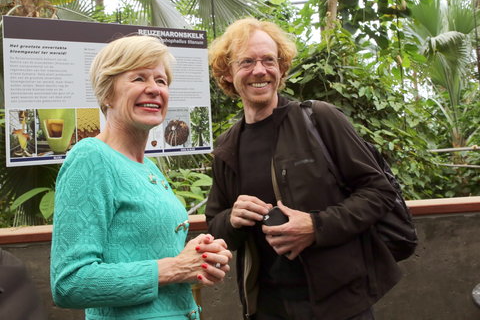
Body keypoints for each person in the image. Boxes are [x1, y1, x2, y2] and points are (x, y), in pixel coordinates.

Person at [205, 18, 402, 320]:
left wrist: (315, 227)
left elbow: (379, 191)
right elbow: (216, 226)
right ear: (227, 74)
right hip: (268, 307)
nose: (259, 70)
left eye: (269, 60)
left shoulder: (318, 119)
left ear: (281, 69)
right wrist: (231, 219)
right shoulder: (228, 146)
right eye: (246, 62)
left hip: (340, 306)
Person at [50, 35, 232, 320]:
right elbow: (70, 283)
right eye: (138, 78)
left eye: (161, 81)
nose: (154, 89)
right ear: (107, 93)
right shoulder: (91, 158)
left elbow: (153, 256)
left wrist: (199, 259)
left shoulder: (149, 167)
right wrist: (176, 268)